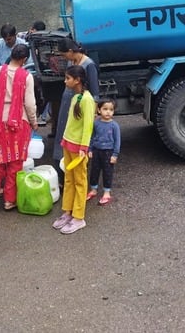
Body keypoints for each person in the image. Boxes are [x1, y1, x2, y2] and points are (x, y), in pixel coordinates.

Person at [0, 44, 38, 211]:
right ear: (24, 60)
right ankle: (9, 200)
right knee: (15, 163)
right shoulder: (27, 76)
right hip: (19, 122)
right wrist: (34, 121)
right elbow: (29, 104)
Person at [51, 65, 95, 234]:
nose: (65, 81)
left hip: (79, 148)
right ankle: (68, 212)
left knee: (80, 181)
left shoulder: (87, 99)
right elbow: (71, 122)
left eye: (68, 78)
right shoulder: (76, 96)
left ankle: (79, 216)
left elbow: (88, 126)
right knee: (69, 179)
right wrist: (64, 140)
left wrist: (84, 147)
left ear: (77, 80)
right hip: (68, 144)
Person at [52, 38, 100, 187]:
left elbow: (95, 93)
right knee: (62, 136)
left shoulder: (89, 65)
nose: (64, 57)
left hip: (79, 109)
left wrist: (92, 114)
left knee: (77, 138)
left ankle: (77, 177)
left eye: (64, 54)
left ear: (71, 52)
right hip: (67, 104)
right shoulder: (71, 62)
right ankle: (62, 177)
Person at [87, 98, 121, 205]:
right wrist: (90, 149)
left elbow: (117, 141)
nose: (108, 112)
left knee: (107, 172)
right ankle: (93, 189)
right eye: (105, 109)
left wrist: (115, 154)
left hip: (108, 152)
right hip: (96, 151)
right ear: (99, 110)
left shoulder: (114, 125)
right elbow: (92, 137)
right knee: (94, 171)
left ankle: (107, 192)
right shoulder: (96, 123)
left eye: (111, 109)